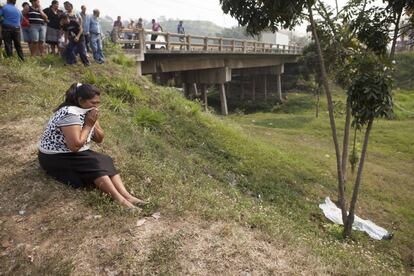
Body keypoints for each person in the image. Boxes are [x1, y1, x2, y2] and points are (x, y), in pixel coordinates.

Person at [38, 83, 146, 209]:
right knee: (92, 165)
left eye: (98, 103)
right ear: (80, 100)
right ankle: (120, 200)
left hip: (71, 152)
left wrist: (94, 123)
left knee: (105, 160)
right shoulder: (70, 114)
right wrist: (88, 125)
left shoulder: (87, 111)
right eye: (93, 103)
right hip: (55, 157)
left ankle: (127, 196)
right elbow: (75, 146)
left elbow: (99, 139)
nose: (96, 106)